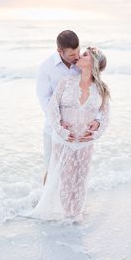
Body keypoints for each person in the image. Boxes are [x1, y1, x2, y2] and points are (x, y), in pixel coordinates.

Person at [29, 47, 111, 224]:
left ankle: (76, 216)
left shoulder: (101, 89)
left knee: (80, 180)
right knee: (65, 179)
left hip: (85, 143)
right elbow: (52, 107)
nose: (79, 56)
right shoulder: (66, 82)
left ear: (93, 62)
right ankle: (68, 217)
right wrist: (62, 130)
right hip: (64, 141)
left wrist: (95, 132)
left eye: (84, 55)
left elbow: (105, 116)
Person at [36, 30, 102, 186]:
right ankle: (46, 202)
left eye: (78, 51)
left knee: (76, 171)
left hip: (79, 130)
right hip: (53, 129)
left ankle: (72, 204)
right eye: (72, 55)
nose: (77, 56)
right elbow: (44, 99)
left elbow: (96, 94)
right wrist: (58, 122)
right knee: (51, 167)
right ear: (59, 51)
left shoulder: (81, 65)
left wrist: (98, 119)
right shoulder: (46, 67)